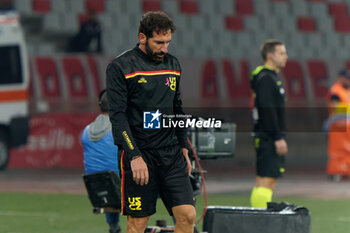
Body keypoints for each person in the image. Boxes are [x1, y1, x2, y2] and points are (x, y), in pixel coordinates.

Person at [106, 11, 196, 233]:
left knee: (187, 215)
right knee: (138, 223)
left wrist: (184, 146)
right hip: (139, 155)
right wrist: (134, 155)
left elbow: (177, 108)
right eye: (159, 42)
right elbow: (117, 116)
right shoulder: (120, 67)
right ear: (142, 37)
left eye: (168, 42)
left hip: (171, 154)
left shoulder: (173, 64)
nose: (164, 48)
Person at [249, 39, 288, 208]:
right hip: (268, 137)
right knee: (266, 179)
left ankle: (260, 217)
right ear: (270, 56)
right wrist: (277, 136)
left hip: (266, 136)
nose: (286, 56)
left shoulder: (269, 77)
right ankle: (259, 219)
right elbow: (267, 109)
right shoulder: (266, 78)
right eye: (282, 53)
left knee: (266, 179)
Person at [81, 89, 121, 233]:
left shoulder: (86, 131)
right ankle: (186, 227)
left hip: (98, 193)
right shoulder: (121, 131)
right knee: (172, 188)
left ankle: (113, 227)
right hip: (122, 191)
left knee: (110, 180)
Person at [325, 68, 350, 180]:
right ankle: (336, 169)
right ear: (341, 78)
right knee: (336, 149)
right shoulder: (335, 90)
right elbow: (336, 108)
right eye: (346, 79)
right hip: (336, 119)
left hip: (347, 120)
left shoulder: (347, 89)